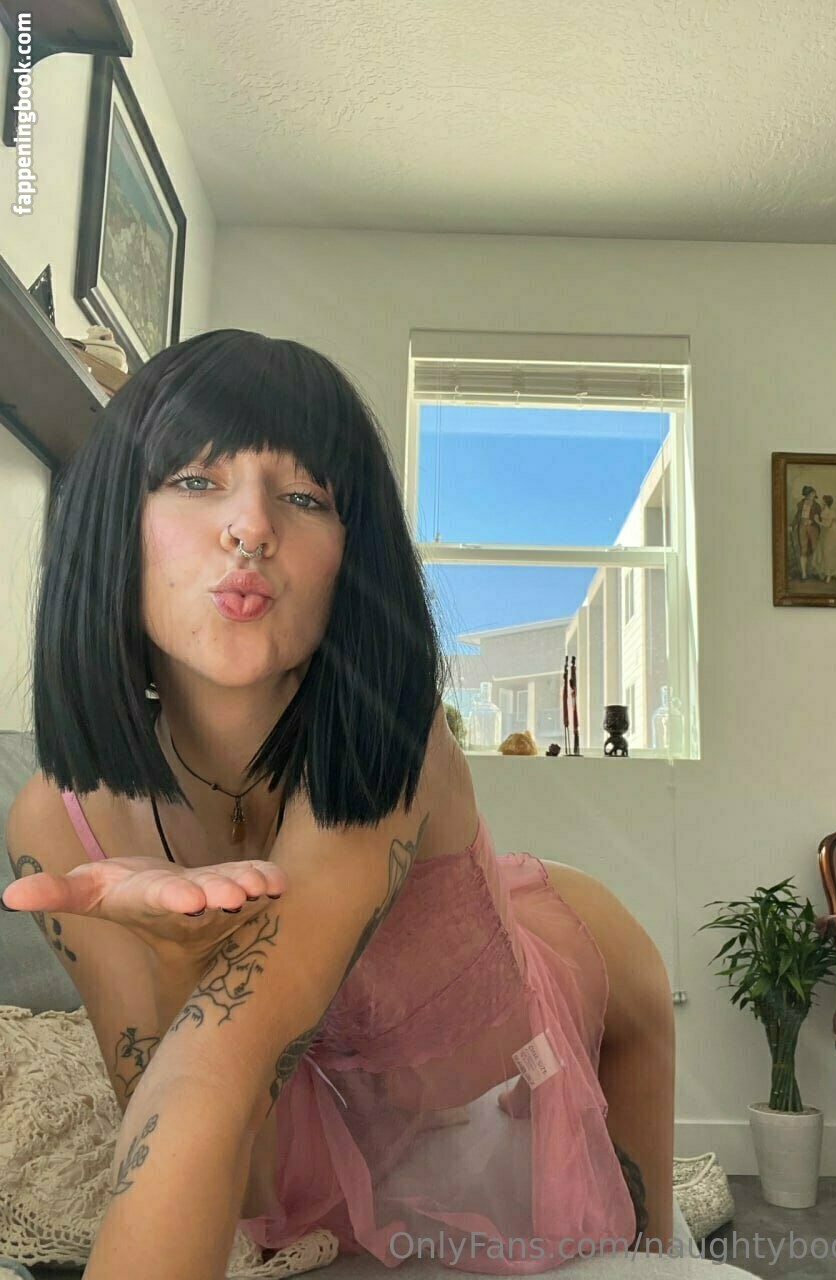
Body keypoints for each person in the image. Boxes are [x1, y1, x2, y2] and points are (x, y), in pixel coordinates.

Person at [1, 330, 674, 1278]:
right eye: (195, 480)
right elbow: (198, 1118)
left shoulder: (386, 740)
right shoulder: (56, 823)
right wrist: (179, 960)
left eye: (306, 496)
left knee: (647, 1247)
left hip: (572, 990)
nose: (250, 527)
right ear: (113, 520)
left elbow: (222, 1069)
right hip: (338, 1105)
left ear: (350, 561)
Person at [791, 485, 821, 581]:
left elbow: (820, 518)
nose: (813, 495)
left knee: (815, 548)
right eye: (811, 494)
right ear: (806, 495)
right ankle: (804, 573)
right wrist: (792, 524)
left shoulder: (817, 506)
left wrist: (812, 521)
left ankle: (816, 571)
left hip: (813, 528)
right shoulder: (800, 504)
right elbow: (797, 515)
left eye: (813, 494)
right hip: (802, 527)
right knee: (803, 549)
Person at [813, 495, 836, 583]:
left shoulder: (832, 512)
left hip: (833, 534)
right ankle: (828, 573)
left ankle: (834, 573)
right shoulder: (822, 512)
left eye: (823, 500)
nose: (821, 501)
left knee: (833, 553)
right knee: (826, 553)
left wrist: (817, 521)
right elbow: (824, 525)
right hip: (825, 534)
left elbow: (828, 525)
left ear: (825, 502)